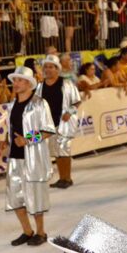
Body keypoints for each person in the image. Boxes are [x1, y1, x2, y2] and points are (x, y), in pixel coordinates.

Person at [1, 66, 56, 246]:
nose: (15, 84)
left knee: (36, 195)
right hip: (15, 158)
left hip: (33, 158)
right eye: (14, 80)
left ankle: (41, 232)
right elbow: (12, 129)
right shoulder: (11, 105)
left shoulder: (40, 104)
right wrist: (6, 141)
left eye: (19, 80)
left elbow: (48, 130)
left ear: (29, 84)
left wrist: (28, 140)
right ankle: (27, 231)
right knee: (15, 196)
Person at [36, 54, 81, 189]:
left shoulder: (66, 83)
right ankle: (62, 177)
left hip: (63, 122)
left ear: (57, 69)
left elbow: (77, 101)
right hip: (48, 123)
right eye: (46, 67)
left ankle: (67, 178)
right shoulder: (40, 87)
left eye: (51, 67)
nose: (48, 70)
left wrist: (69, 112)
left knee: (64, 150)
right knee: (56, 151)